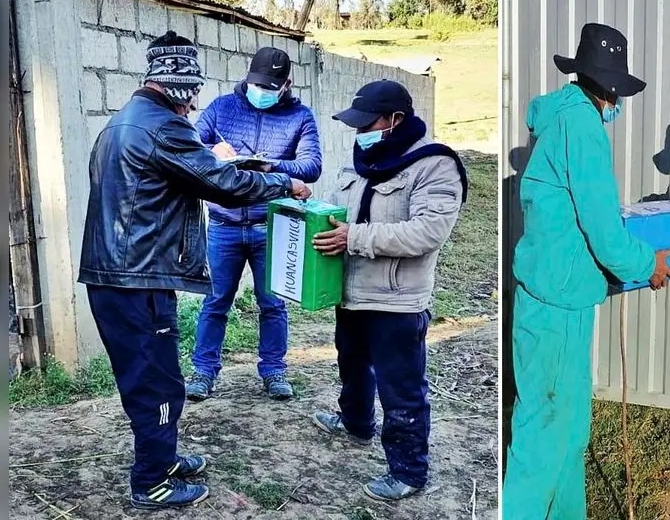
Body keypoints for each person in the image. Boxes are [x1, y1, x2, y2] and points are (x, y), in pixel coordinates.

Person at [78, 31, 311, 510]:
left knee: (146, 376)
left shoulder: (119, 124)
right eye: (193, 90)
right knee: (158, 382)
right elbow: (223, 183)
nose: (195, 102)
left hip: (116, 275)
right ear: (179, 85)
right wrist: (283, 183)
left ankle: (162, 457)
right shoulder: (164, 127)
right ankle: (152, 482)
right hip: (138, 279)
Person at [501, 23, 670, 519]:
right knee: (542, 440)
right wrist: (648, 263)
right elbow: (604, 231)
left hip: (561, 296)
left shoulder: (560, 117)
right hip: (556, 308)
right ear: (610, 89)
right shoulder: (583, 127)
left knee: (571, 431)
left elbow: (584, 213)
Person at [309, 79, 468, 501]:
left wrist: (354, 237)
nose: (359, 132)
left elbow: (427, 232)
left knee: (401, 389)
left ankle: (408, 471)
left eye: (367, 124)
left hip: (396, 301)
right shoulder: (363, 159)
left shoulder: (435, 165)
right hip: (351, 292)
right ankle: (356, 423)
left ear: (395, 119)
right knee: (351, 365)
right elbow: (337, 212)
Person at [185, 46, 322, 402]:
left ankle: (274, 370)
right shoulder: (221, 108)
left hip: (272, 226)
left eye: (270, 87)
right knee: (216, 301)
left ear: (287, 84)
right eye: (256, 85)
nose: (261, 92)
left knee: (272, 303)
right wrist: (214, 152)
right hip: (223, 223)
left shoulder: (300, 117)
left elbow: (311, 166)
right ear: (248, 78)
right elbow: (191, 147)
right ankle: (203, 371)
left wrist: (270, 166)